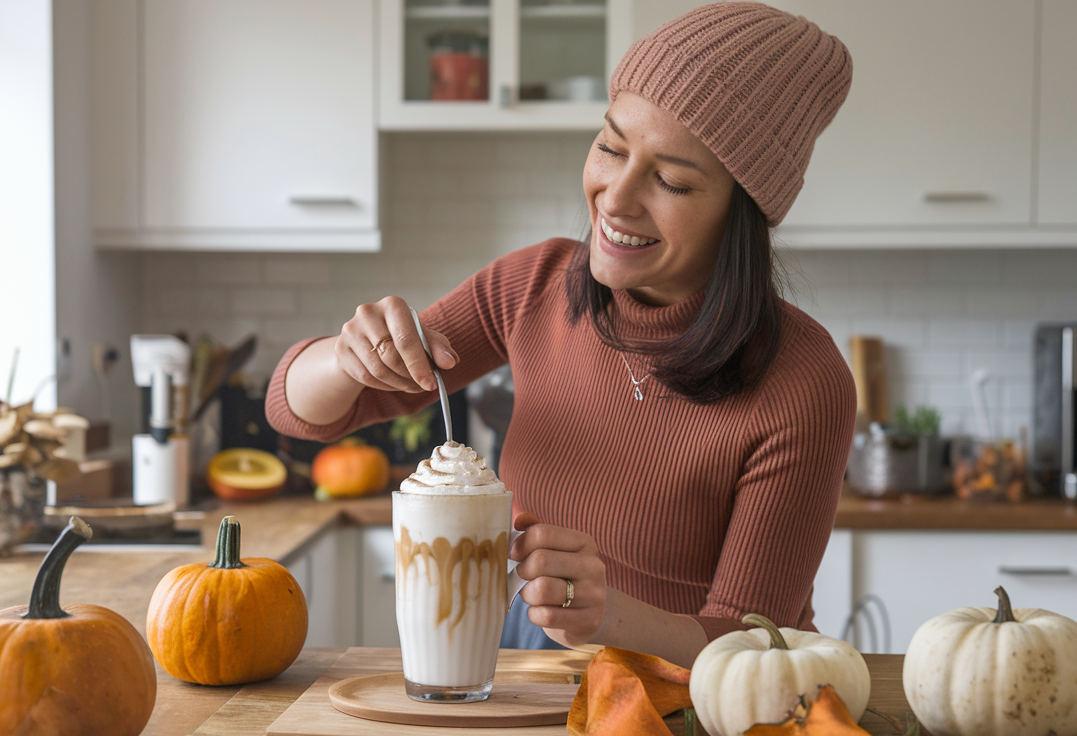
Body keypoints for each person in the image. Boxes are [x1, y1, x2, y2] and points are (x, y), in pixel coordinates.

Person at [266, 2, 855, 668]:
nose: (615, 196)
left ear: (741, 214)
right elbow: (297, 410)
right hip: (523, 662)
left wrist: (608, 617)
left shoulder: (803, 380)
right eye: (610, 145)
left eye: (670, 180)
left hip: (687, 688)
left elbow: (757, 648)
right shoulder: (535, 285)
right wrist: (349, 357)